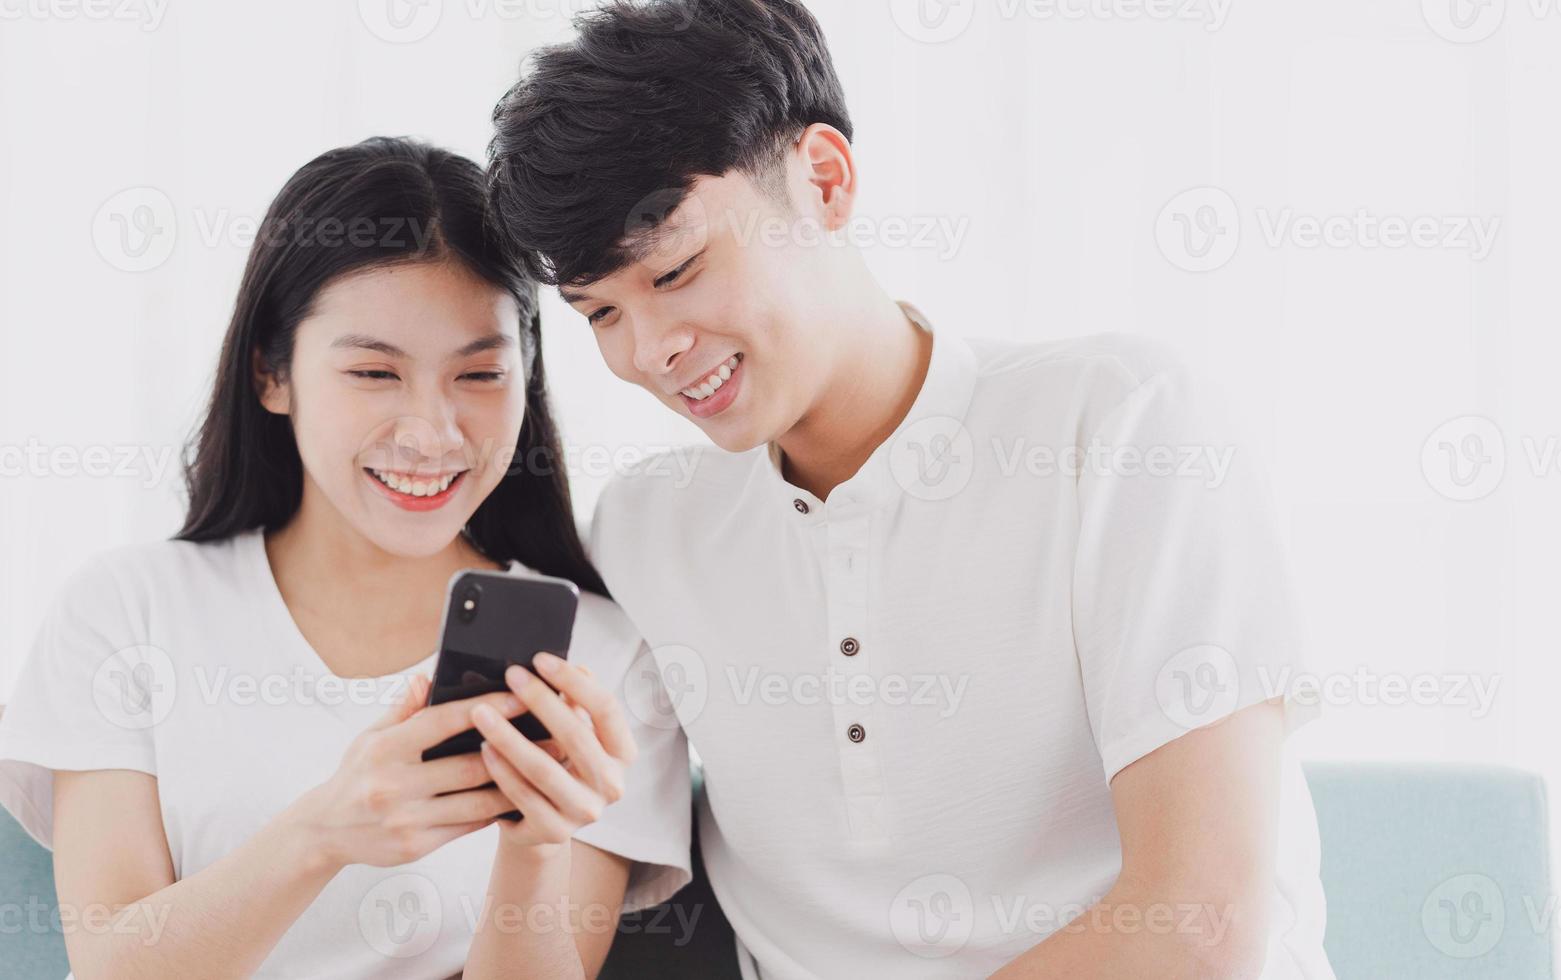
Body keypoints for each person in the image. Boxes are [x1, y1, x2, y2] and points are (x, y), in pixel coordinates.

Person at [486, 1, 1337, 977]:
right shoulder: (644, 528)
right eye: (599, 314)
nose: (649, 351)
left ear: (823, 180)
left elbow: (1198, 925)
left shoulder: (1120, 425)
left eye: (676, 271)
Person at [0, 137, 690, 979]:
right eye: (373, 372)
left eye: (479, 377)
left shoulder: (599, 658)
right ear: (272, 373)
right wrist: (323, 832)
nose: (431, 434)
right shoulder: (126, 612)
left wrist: (536, 846)